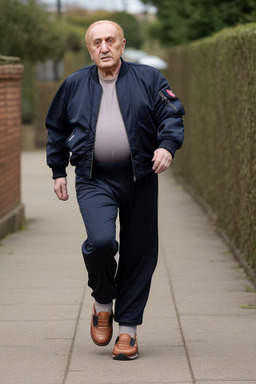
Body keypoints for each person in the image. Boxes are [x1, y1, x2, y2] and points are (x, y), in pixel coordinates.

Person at [46, 20, 185, 361]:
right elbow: (56, 127)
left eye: (110, 40)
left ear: (122, 45)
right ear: (89, 48)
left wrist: (166, 145)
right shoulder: (75, 83)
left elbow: (172, 115)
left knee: (139, 251)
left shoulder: (149, 78)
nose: (104, 47)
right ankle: (102, 301)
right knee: (102, 242)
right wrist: (57, 170)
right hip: (94, 178)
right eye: (97, 42)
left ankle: (128, 331)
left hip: (139, 175)